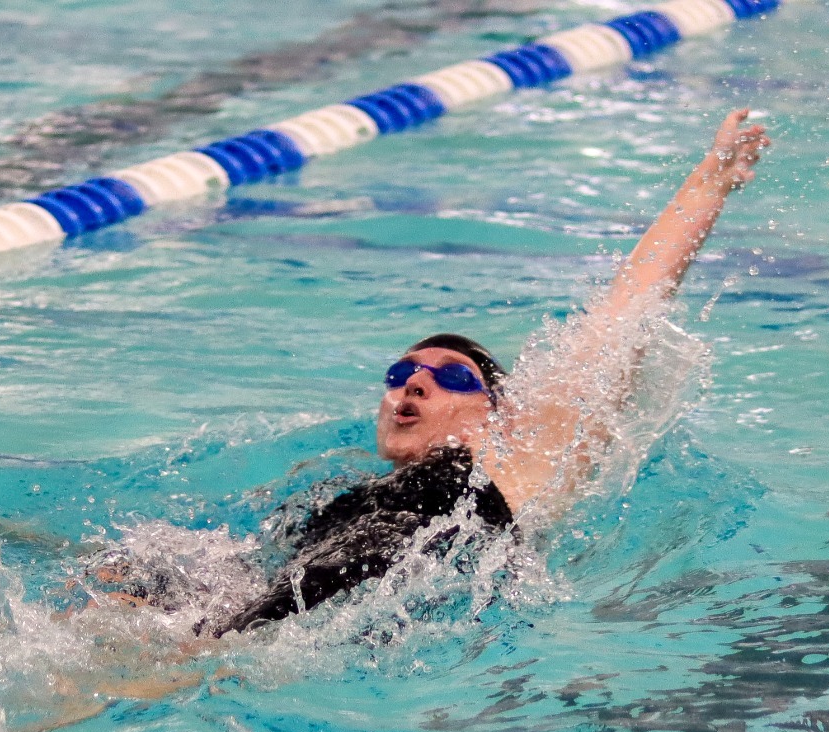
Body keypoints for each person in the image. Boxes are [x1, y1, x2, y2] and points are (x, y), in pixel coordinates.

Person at [206, 108, 769, 636]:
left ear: (498, 415)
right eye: (403, 371)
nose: (414, 382)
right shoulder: (341, 494)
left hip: (381, 589)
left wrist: (709, 183)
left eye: (453, 378)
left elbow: (628, 308)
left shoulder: (520, 457)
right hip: (310, 609)